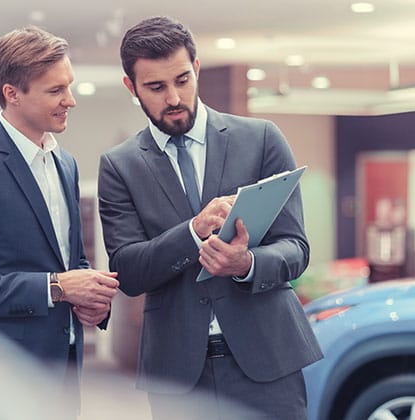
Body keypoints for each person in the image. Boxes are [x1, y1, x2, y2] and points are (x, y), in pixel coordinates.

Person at [97, 16, 323, 419]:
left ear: (196, 69)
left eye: (182, 80)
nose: (173, 97)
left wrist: (248, 263)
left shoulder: (262, 139)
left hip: (267, 363)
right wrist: (192, 232)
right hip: (178, 375)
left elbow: (296, 248)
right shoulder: (119, 166)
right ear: (131, 87)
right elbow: (128, 272)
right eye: (156, 87)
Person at [0, 26, 119, 416]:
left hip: (64, 371)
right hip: (0, 380)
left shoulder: (64, 163)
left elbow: (71, 263)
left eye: (69, 86)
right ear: (11, 93)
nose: (70, 100)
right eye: (55, 91)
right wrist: (55, 288)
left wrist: (92, 301)